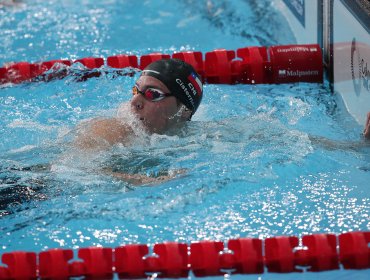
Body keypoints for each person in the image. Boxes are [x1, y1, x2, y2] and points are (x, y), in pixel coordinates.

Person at [74, 58, 203, 150]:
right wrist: (143, 180)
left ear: (184, 111)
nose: (134, 101)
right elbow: (77, 168)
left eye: (152, 94)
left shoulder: (197, 140)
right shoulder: (112, 131)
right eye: (135, 90)